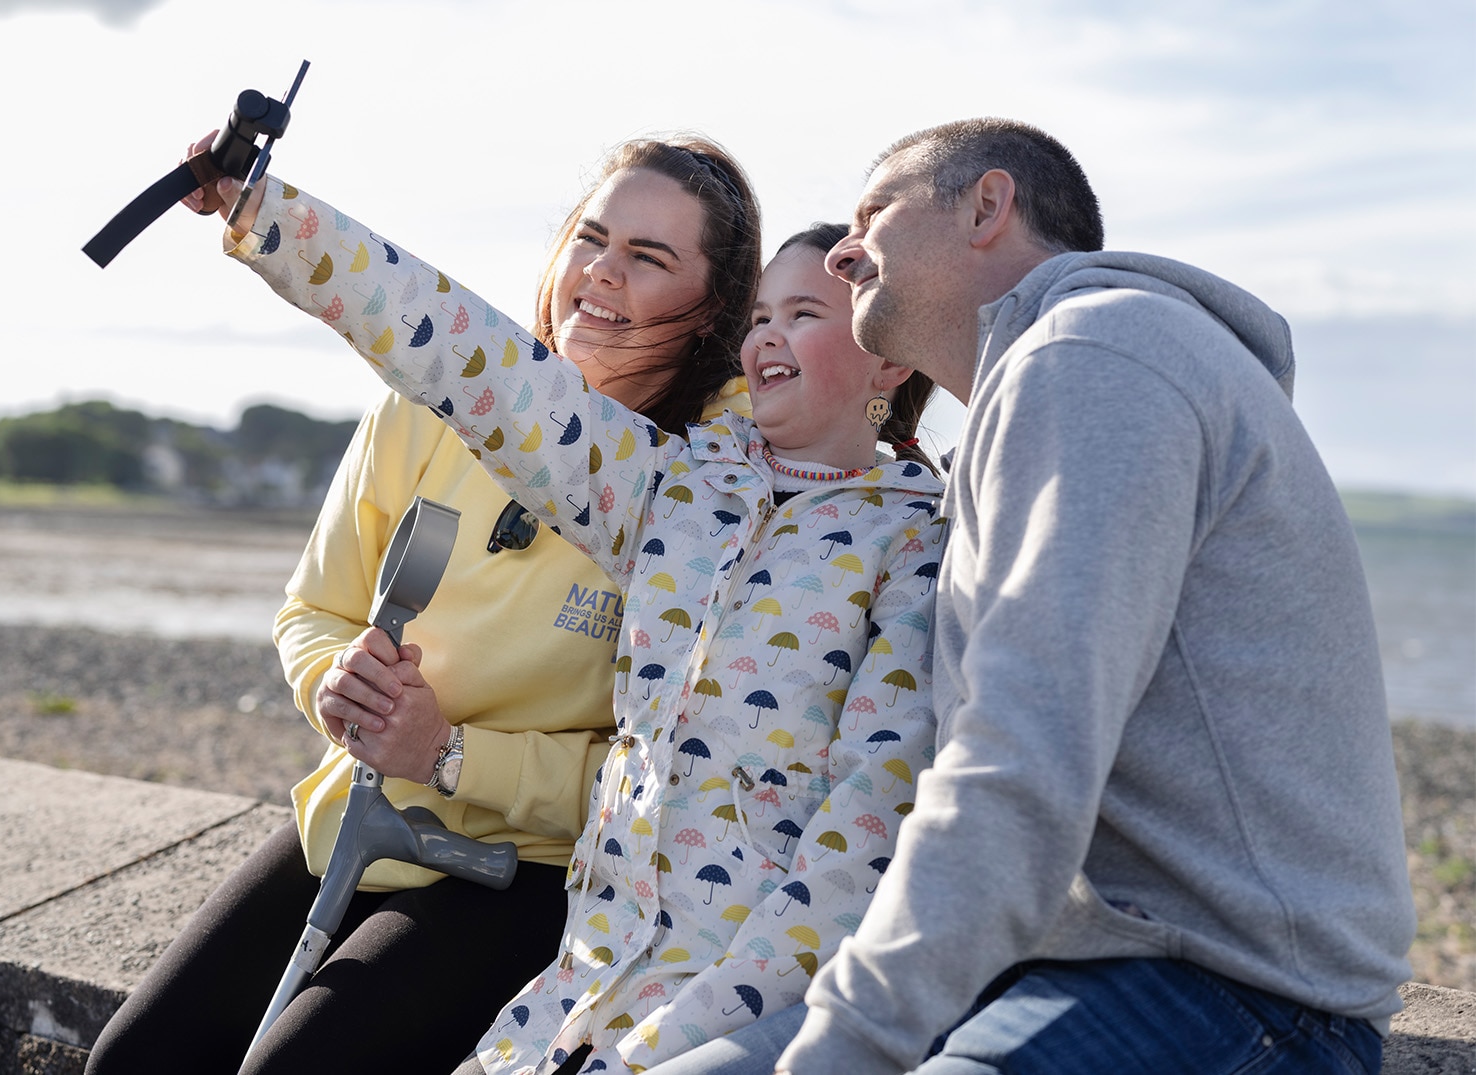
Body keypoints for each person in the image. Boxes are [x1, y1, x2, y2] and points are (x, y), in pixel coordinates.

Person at [673, 118, 1417, 1075]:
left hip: (1244, 990)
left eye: (875, 213)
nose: (847, 250)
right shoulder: (1044, 386)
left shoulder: (1095, 356)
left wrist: (849, 1043)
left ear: (988, 205)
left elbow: (1020, 757)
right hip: (1058, 961)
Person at [217, 151, 952, 1075]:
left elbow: (861, 832)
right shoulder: (673, 488)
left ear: (888, 352)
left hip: (713, 991)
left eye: (804, 315)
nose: (768, 336)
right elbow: (447, 342)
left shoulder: (917, 545)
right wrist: (267, 211)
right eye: (762, 314)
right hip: (585, 971)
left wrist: (683, 1030)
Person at [84, 136, 761, 1075]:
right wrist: (340, 688)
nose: (600, 272)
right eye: (591, 237)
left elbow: (662, 785)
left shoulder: (707, 490)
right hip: (363, 809)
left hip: (532, 870)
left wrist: (449, 752)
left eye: (648, 258)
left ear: (711, 311)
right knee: (133, 1062)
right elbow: (313, 609)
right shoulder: (426, 405)